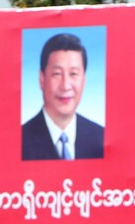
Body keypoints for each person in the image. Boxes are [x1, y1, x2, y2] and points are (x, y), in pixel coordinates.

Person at [21, 32, 104, 160]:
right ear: (42, 79)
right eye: (57, 74)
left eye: (73, 74)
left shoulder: (100, 137)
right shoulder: (20, 140)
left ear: (84, 80)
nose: (65, 85)